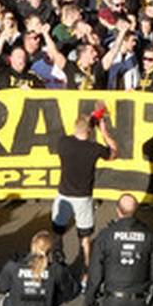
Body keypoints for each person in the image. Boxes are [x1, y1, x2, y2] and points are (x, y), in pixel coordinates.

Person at [52, 108, 118, 275]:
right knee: (85, 237)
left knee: (57, 232)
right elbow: (114, 153)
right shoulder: (94, 149)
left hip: (64, 195)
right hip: (83, 198)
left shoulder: (63, 143)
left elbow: (77, 132)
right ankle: (86, 271)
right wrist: (103, 131)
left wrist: (89, 122)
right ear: (90, 130)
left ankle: (57, 263)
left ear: (75, 127)